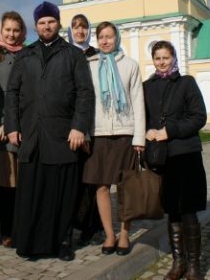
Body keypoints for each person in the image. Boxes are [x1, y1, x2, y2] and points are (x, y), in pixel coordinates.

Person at [5, 1, 95, 261]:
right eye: (42, 22)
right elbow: (12, 92)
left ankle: (63, 241)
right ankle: (30, 242)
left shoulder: (73, 55)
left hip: (62, 134)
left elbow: (84, 93)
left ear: (58, 23)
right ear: (35, 26)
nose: (46, 26)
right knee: (33, 192)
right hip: (31, 135)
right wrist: (12, 126)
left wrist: (79, 126)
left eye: (51, 21)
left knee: (63, 193)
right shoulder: (25, 55)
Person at [144, 40, 207, 280]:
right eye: (158, 58)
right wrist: (147, 131)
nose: (162, 62)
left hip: (186, 153)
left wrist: (169, 131)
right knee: (172, 211)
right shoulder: (147, 86)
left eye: (166, 57)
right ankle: (178, 262)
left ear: (173, 58)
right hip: (163, 157)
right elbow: (145, 116)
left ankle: (194, 265)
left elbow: (198, 116)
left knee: (189, 211)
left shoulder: (186, 83)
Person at [83, 22, 145, 256]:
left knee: (125, 187)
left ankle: (125, 233)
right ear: (97, 40)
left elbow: (138, 102)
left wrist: (139, 137)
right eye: (101, 37)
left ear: (116, 38)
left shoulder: (130, 65)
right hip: (99, 133)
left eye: (110, 37)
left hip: (124, 133)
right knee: (101, 186)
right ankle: (110, 234)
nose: (106, 41)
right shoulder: (90, 65)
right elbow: (86, 102)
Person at [0, 11, 27, 248]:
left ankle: (22, 227)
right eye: (8, 30)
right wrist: (4, 120)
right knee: (5, 183)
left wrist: (17, 121)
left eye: (16, 30)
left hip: (24, 126)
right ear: (1, 30)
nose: (11, 35)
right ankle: (6, 230)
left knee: (23, 183)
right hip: (1, 129)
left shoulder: (28, 53)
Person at [67, 13, 103, 247]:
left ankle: (91, 225)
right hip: (68, 125)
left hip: (93, 123)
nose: (80, 31)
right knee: (72, 180)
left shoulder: (97, 57)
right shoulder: (65, 53)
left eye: (84, 27)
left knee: (92, 179)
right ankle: (70, 224)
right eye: (75, 27)